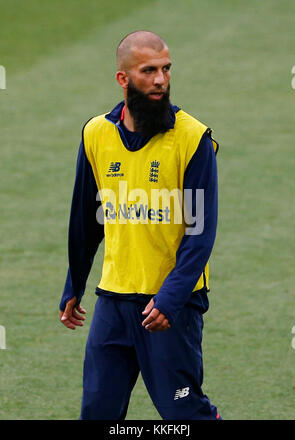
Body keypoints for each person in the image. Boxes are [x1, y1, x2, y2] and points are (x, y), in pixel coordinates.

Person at [59, 30, 221, 420]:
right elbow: (86, 219)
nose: (161, 79)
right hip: (113, 300)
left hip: (171, 306)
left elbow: (200, 234)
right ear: (123, 78)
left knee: (185, 413)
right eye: (149, 70)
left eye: (166, 68)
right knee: (97, 412)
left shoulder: (193, 138)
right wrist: (74, 286)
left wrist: (170, 300)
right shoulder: (96, 132)